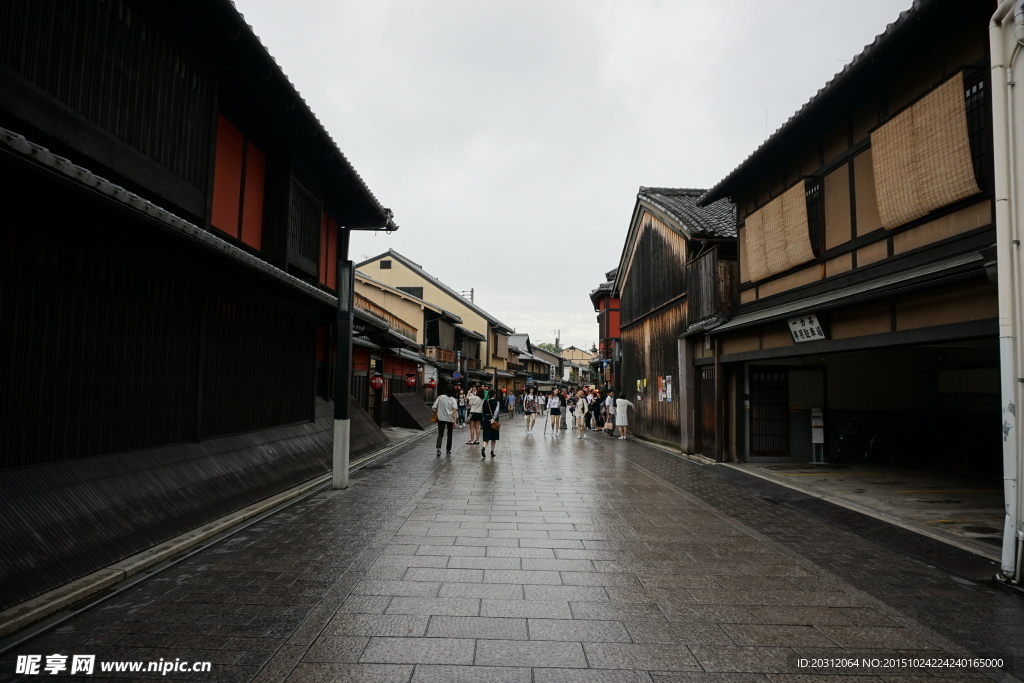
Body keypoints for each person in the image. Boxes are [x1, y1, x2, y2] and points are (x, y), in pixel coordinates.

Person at [431, 385, 458, 456]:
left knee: (440, 433)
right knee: (449, 434)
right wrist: (455, 422)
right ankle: (448, 449)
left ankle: (438, 448)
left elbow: (434, 407)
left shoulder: (440, 397)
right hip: (450, 419)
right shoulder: (453, 400)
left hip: (441, 418)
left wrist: (439, 411)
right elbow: (454, 411)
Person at [481, 391, 502, 458]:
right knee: (494, 437)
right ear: (494, 394)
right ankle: (492, 451)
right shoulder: (497, 402)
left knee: (486, 437)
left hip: (486, 419)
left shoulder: (485, 402)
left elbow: (482, 411)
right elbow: (496, 412)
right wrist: (493, 419)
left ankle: (483, 447)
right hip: (493, 420)